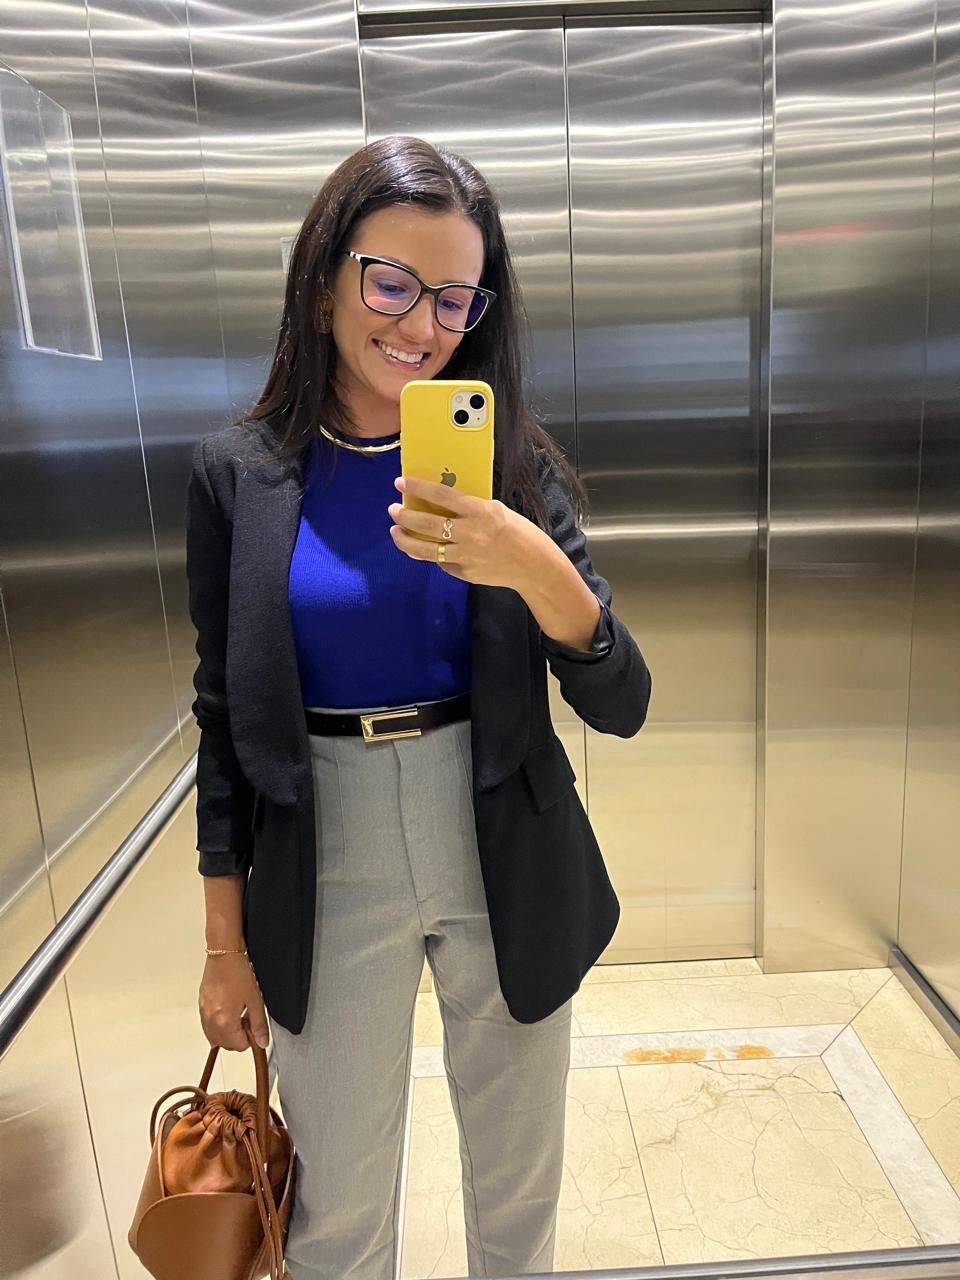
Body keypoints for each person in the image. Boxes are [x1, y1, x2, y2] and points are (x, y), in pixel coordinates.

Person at [186, 134, 652, 1280]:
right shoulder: (238, 474)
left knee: (517, 1183)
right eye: (391, 281)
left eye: (454, 296)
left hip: (497, 825)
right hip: (322, 841)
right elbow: (221, 718)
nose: (422, 324)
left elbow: (622, 699)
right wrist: (222, 944)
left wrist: (532, 562)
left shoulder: (507, 465)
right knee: (335, 1207)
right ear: (325, 277)